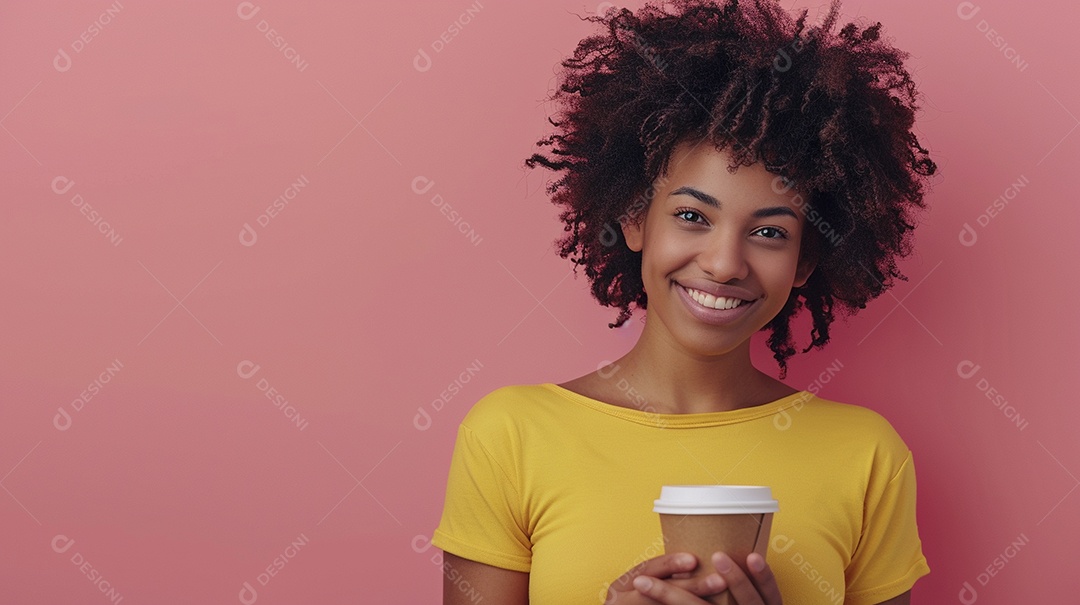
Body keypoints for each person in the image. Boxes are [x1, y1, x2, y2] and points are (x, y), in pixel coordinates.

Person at [432, 0, 937, 603]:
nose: (724, 263)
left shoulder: (866, 455)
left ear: (804, 260)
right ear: (635, 219)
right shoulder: (511, 436)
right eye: (693, 215)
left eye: (770, 231)